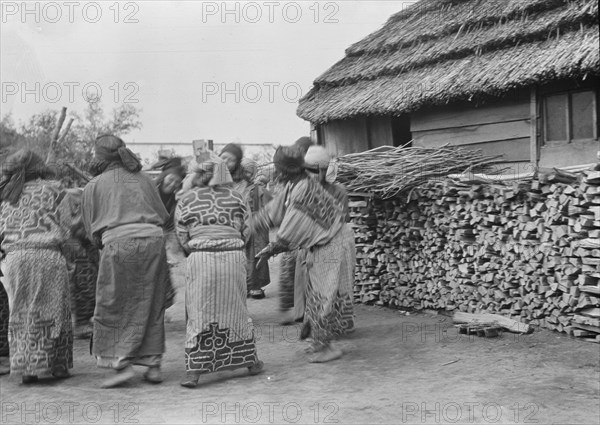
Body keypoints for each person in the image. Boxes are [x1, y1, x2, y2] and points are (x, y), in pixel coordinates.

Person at [82, 135, 173, 388]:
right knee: (152, 301)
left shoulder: (94, 185)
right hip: (153, 242)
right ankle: (153, 365)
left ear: (99, 157)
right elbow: (164, 217)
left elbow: (92, 234)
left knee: (113, 301)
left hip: (119, 244)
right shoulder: (144, 179)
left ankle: (120, 363)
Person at [249, 146, 354, 363]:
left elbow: (289, 232)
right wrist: (248, 226)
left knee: (325, 295)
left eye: (277, 169)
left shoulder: (304, 189)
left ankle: (327, 347)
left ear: (285, 170)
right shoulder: (293, 185)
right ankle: (319, 343)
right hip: (323, 242)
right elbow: (273, 211)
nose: (276, 173)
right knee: (316, 294)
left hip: (333, 242)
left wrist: (270, 249)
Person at [175, 159, 264, 388]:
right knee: (236, 310)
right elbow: (246, 230)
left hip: (201, 257)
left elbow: (182, 235)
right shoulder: (236, 197)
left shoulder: (186, 199)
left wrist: (198, 248)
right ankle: (250, 362)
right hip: (233, 257)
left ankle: (194, 371)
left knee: (199, 312)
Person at [0, 150, 75, 383]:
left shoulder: (6, 193)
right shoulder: (54, 189)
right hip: (47, 256)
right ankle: (57, 365)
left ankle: (26, 368)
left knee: (21, 312)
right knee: (56, 309)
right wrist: (70, 255)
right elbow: (67, 227)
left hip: (14, 259)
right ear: (39, 166)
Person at [219, 144, 270, 299]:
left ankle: (253, 286)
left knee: (253, 256)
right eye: (223, 157)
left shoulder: (252, 187)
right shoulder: (213, 180)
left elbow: (270, 207)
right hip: (225, 227)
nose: (226, 163)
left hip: (249, 225)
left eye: (232, 160)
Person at [154, 157, 186, 265]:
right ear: (164, 176)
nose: (172, 184)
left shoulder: (176, 199)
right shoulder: (150, 190)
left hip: (167, 238)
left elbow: (173, 227)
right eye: (171, 179)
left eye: (177, 182)